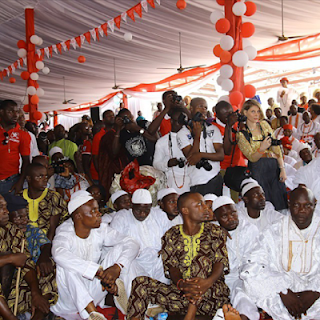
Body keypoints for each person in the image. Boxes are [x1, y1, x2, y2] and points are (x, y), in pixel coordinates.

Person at [126, 192, 230, 320]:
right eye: (199, 204)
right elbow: (171, 266)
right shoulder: (171, 234)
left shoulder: (215, 231)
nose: (205, 207)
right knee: (140, 282)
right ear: (185, 210)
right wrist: (181, 284)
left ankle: (190, 314)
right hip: (181, 295)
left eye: (204, 204)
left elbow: (220, 262)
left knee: (201, 260)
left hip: (212, 294)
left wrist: (207, 283)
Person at [51, 190, 140, 319]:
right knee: (66, 265)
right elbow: (58, 253)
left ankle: (128, 300)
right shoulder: (64, 232)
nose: (99, 214)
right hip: (70, 300)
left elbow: (132, 243)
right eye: (93, 211)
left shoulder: (100, 229)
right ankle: (92, 313)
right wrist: (96, 271)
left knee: (121, 248)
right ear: (78, 216)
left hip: (95, 288)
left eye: (98, 209)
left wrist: (117, 267)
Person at [241, 187, 320, 320]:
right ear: (289, 205)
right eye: (296, 205)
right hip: (282, 293)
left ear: (315, 205)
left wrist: (315, 292)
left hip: (315, 290)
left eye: (307, 205)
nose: (301, 210)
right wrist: (283, 291)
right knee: (249, 281)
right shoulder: (274, 230)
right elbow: (253, 263)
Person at [5, 193, 58, 314]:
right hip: (15, 279)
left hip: (34, 274)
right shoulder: (8, 233)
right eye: (18, 217)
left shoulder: (31, 230)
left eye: (25, 216)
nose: (24, 220)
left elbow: (46, 244)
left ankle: (38, 314)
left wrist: (43, 258)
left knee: (50, 271)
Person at [213, 196, 260, 320]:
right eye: (224, 216)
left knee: (242, 292)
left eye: (233, 213)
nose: (231, 219)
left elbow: (254, 259)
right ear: (216, 218)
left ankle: (243, 317)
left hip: (247, 275)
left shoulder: (249, 229)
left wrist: (246, 278)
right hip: (223, 278)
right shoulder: (212, 232)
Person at [236, 99, 288, 210]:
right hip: (258, 169)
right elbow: (251, 157)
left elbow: (276, 148)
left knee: (280, 201)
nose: (256, 115)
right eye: (253, 111)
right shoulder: (241, 135)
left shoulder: (264, 125)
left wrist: (282, 168)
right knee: (265, 202)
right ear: (245, 112)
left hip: (273, 166)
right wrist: (262, 149)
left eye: (258, 111)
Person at [110, 189, 168, 283]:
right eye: (138, 210)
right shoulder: (121, 217)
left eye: (146, 210)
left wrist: (165, 248)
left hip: (158, 262)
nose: (142, 214)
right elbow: (114, 244)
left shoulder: (160, 215)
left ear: (151, 207)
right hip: (135, 262)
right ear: (131, 205)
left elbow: (170, 237)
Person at [22, 163, 68, 278]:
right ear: (28, 178)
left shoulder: (53, 197)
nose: (44, 180)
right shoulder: (19, 198)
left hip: (48, 246)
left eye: (46, 177)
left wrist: (46, 254)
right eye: (39, 177)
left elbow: (53, 230)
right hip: (24, 245)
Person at [177, 97, 224, 196]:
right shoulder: (182, 133)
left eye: (206, 107)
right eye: (200, 106)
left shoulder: (214, 129)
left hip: (215, 178)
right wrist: (197, 135)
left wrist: (201, 155)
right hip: (198, 181)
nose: (203, 110)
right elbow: (192, 159)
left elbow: (220, 156)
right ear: (191, 109)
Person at [153, 109, 191, 194]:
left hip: (192, 178)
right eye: (179, 121)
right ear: (171, 121)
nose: (181, 125)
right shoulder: (162, 141)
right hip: (173, 182)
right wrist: (167, 164)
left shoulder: (192, 136)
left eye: (183, 121)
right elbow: (155, 164)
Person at [214, 101, 246, 202]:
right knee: (222, 200)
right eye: (225, 115)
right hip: (221, 169)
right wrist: (228, 126)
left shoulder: (235, 124)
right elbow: (226, 151)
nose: (229, 117)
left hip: (236, 167)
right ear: (217, 115)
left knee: (234, 199)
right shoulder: (214, 128)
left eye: (230, 113)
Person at [0, 100, 31, 195]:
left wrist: (20, 182)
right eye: (10, 111)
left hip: (11, 180)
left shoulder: (23, 134)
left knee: (15, 209)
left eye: (16, 111)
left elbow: (26, 161)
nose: (15, 115)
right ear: (1, 112)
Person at [98, 115, 128, 201]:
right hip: (112, 171)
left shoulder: (127, 133)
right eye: (109, 115)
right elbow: (113, 153)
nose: (111, 117)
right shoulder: (109, 135)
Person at [91, 110, 115, 182]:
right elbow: (95, 157)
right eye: (109, 116)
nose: (112, 117)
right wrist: (101, 174)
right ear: (103, 120)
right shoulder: (98, 136)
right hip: (100, 175)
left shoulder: (116, 133)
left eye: (113, 115)